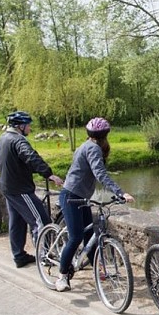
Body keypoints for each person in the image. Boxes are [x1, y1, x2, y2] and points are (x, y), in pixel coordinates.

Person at [55, 117, 134, 292]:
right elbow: (100, 174)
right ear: (105, 134)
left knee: (89, 233)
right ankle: (62, 276)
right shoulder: (92, 148)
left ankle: (97, 270)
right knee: (76, 237)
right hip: (71, 196)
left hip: (80, 196)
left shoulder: (86, 145)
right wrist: (120, 192)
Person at [0, 111, 63, 268]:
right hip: (20, 189)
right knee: (41, 220)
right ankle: (45, 255)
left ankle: (19, 256)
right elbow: (31, 157)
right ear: (20, 126)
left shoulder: (3, 138)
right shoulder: (18, 140)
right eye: (28, 125)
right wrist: (49, 174)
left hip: (7, 187)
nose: (30, 128)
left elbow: (14, 161)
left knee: (17, 222)